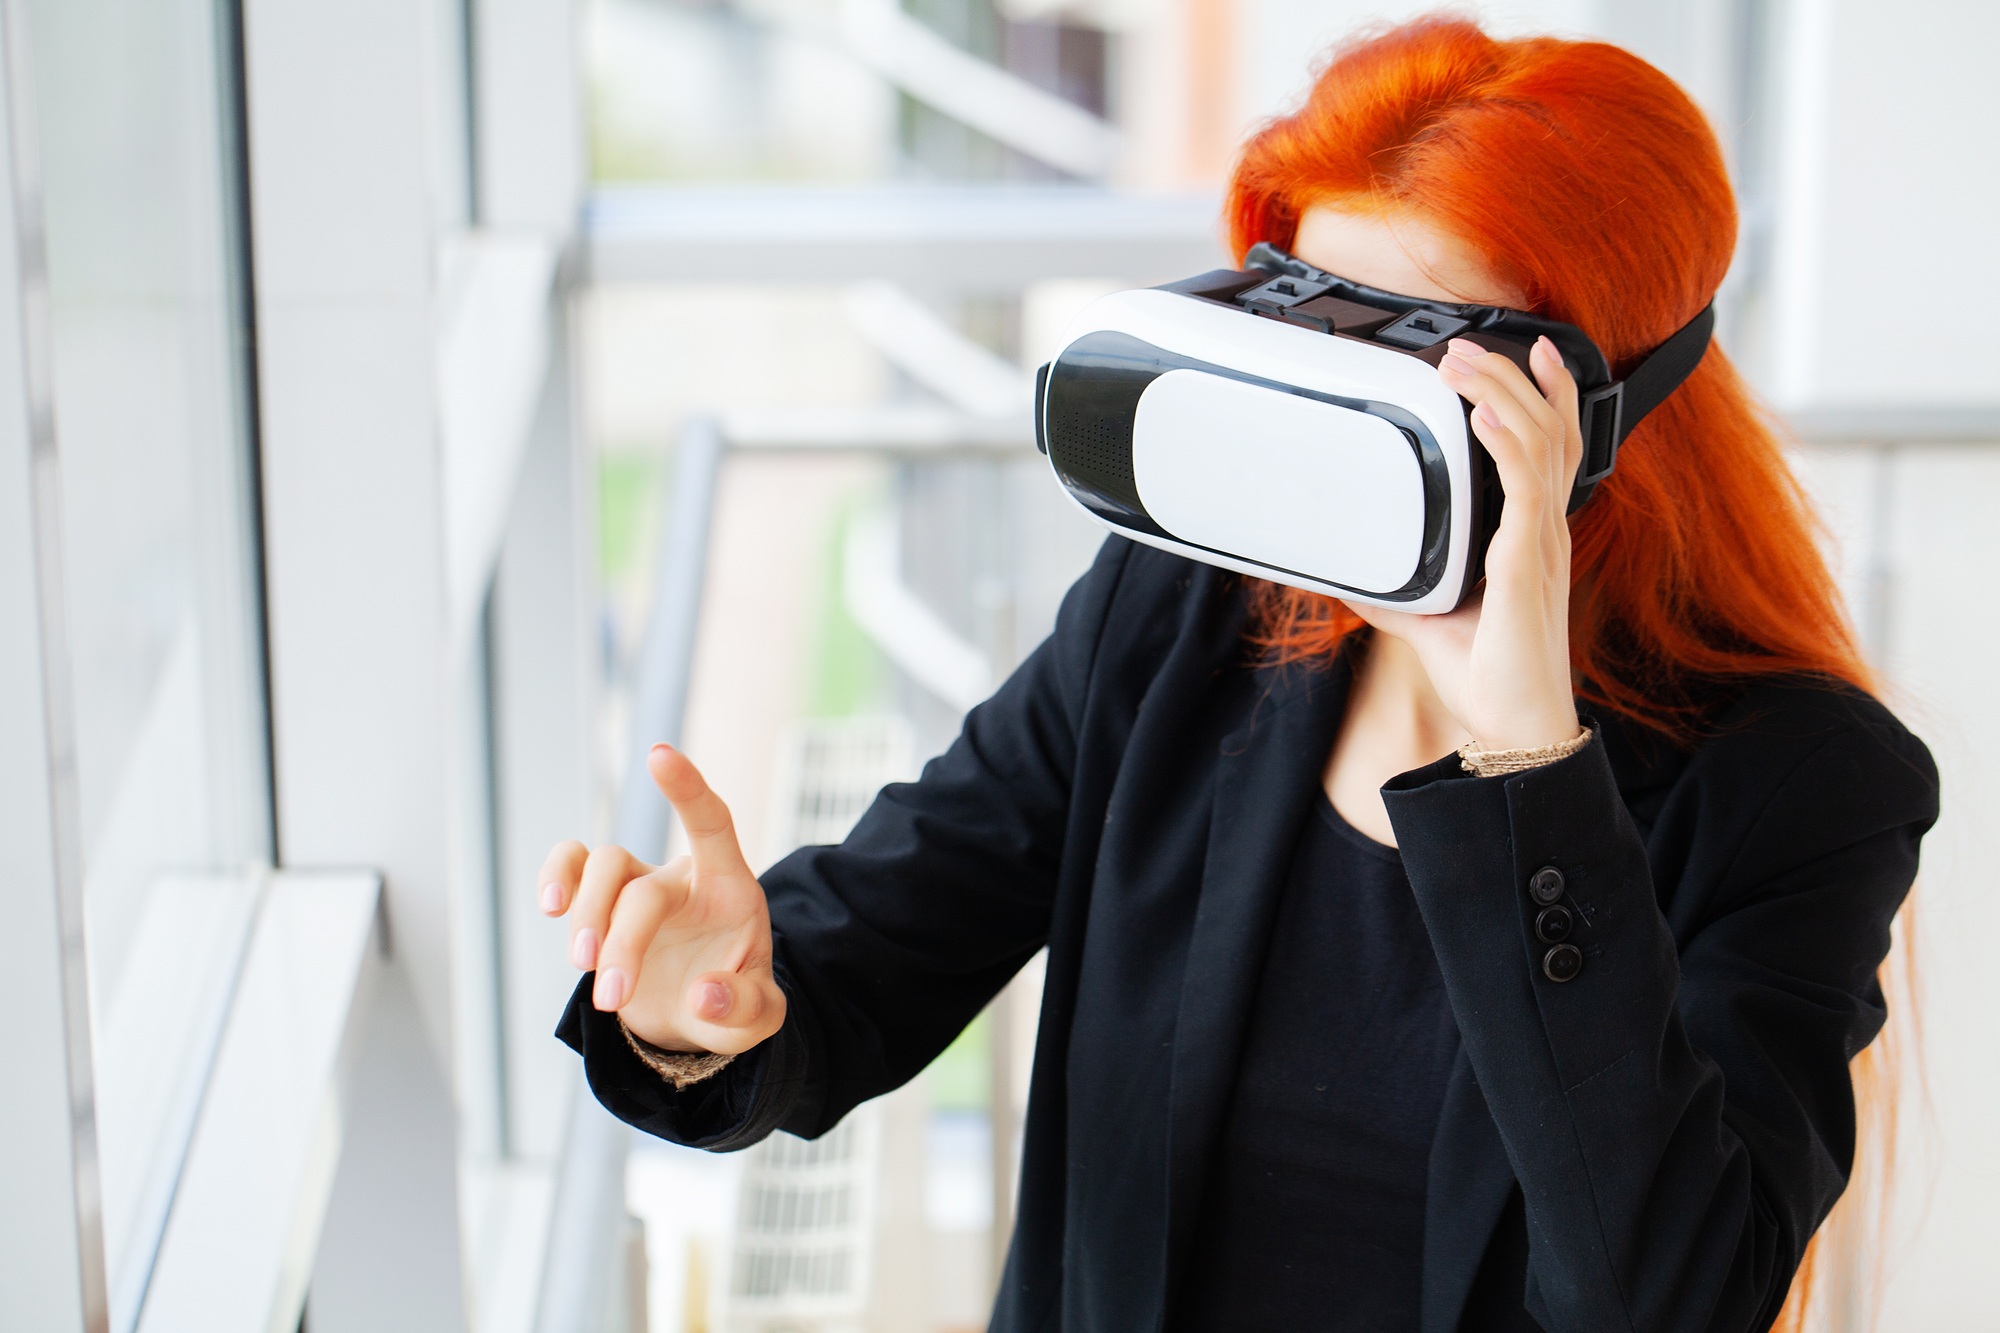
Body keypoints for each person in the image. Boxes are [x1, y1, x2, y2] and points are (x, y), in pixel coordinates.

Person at [538, 16, 1937, 1332]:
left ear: (1596, 415)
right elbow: (867, 960)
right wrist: (707, 1009)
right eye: (1310, 331)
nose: (1331, 427)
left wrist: (1528, 764)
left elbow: (1669, 1298)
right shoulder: (1185, 619)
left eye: (1413, 374)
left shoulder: (1802, 785)